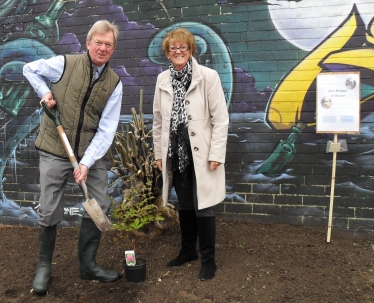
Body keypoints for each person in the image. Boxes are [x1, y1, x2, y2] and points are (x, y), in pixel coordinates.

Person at [23, 20, 122, 295]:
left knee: (100, 203)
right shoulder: (64, 64)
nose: (102, 48)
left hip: (89, 149)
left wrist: (87, 163)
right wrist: (45, 92)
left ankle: (88, 264)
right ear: (88, 43)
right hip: (55, 148)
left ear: (113, 49)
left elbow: (106, 129)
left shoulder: (114, 83)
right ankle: (44, 266)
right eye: (98, 42)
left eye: (108, 44)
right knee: (49, 206)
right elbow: (29, 68)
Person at [152, 28, 229, 281]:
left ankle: (209, 260)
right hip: (176, 154)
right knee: (184, 204)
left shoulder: (208, 77)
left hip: (203, 155)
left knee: (203, 206)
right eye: (172, 48)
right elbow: (158, 121)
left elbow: (221, 119)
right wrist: (160, 154)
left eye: (182, 47)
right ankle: (188, 251)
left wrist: (217, 152)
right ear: (167, 52)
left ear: (191, 50)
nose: (178, 52)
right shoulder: (162, 79)